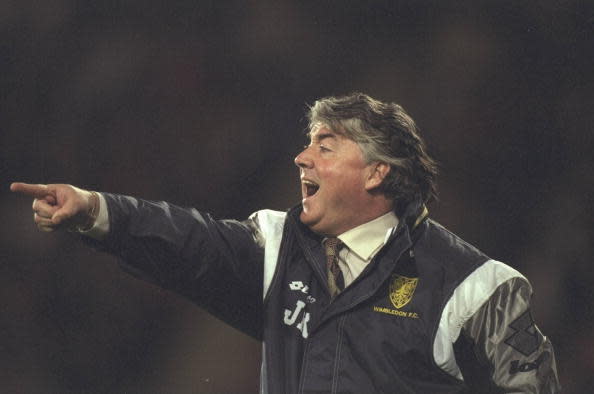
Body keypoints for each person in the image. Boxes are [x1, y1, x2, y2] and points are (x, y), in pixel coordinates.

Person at [11, 93, 560, 393]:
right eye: (306, 143)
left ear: (375, 174)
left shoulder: (475, 287)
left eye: (325, 146)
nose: (302, 158)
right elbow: (189, 242)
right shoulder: (278, 248)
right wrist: (97, 210)